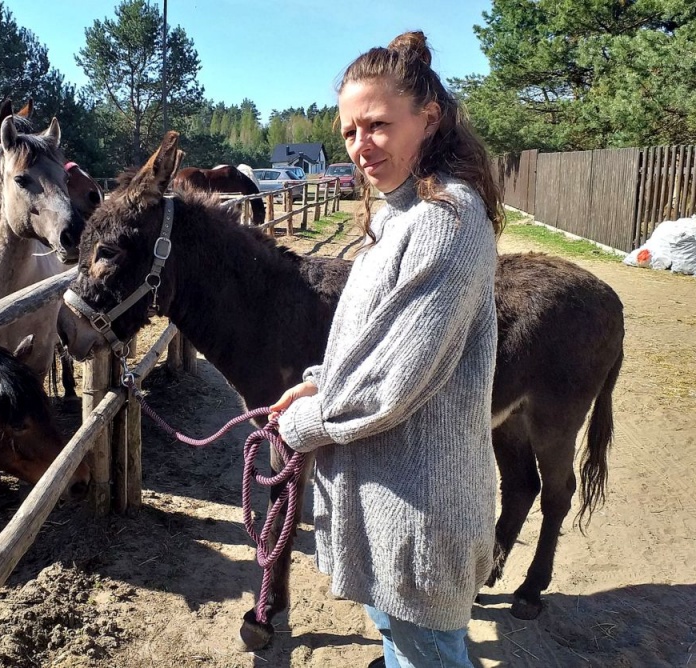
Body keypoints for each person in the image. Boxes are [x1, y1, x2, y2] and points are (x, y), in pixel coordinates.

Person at [271, 31, 504, 668]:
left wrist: (303, 424)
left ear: (427, 120)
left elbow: (396, 380)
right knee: (401, 641)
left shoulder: (445, 221)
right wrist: (322, 382)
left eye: (377, 125)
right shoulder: (400, 214)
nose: (360, 147)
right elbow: (371, 342)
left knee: (425, 651)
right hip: (388, 505)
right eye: (349, 131)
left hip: (420, 509)